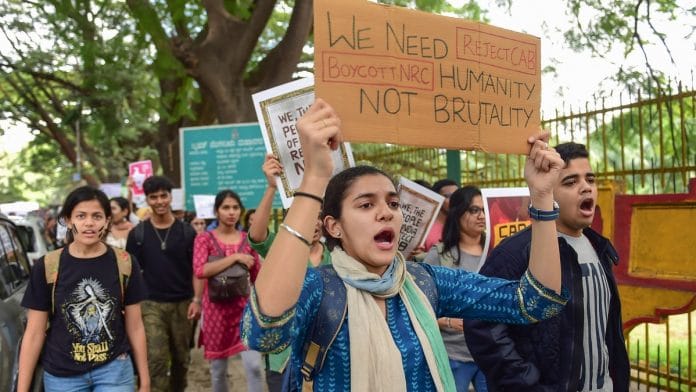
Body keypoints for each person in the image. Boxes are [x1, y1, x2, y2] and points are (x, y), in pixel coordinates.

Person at [241, 98, 567, 391]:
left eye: (393, 204)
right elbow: (264, 332)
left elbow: (536, 302)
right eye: (366, 205)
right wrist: (314, 178)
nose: (385, 212)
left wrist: (541, 197)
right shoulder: (320, 287)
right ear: (334, 226)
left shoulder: (424, 281)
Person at [465, 142, 630, 392]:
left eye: (590, 179)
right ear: (547, 191)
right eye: (570, 182)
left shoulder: (600, 248)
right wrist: (526, 383)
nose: (586, 187)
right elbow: (482, 324)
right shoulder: (516, 252)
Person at [18, 186, 149, 391]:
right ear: (69, 220)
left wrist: (145, 379)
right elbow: (34, 333)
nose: (89, 223)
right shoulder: (48, 266)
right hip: (62, 374)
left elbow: (136, 325)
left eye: (97, 216)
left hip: (114, 369)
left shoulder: (124, 262)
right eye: (81, 216)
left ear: (107, 221)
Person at [247, 154, 332, 391]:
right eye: (307, 216)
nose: (313, 224)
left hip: (325, 354)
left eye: (318, 217)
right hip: (283, 356)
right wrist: (271, 188)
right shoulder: (281, 250)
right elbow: (256, 236)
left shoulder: (337, 256)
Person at [126, 176, 202, 392]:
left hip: (183, 304)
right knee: (156, 359)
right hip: (150, 305)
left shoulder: (187, 232)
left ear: (170, 197)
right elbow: (130, 274)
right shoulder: (137, 234)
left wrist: (197, 300)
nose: (159, 201)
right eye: (154, 197)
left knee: (181, 359)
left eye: (163, 196)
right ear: (147, 200)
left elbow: (198, 270)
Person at [193, 189, 263, 392]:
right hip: (216, 311)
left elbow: (258, 277)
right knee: (218, 370)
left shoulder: (247, 239)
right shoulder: (204, 239)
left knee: (255, 366)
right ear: (217, 211)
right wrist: (234, 258)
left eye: (235, 207)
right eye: (226, 207)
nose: (231, 212)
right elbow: (200, 270)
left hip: (245, 310)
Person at [423, 185, 488, 391]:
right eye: (473, 210)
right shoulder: (440, 255)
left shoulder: (496, 249)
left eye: (484, 209)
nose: (481, 216)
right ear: (458, 213)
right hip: (453, 354)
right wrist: (448, 322)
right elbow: (420, 306)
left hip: (491, 352)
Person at [421, 179, 459, 253]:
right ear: (437, 199)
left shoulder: (463, 225)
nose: (454, 199)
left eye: (457, 195)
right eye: (448, 196)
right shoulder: (425, 227)